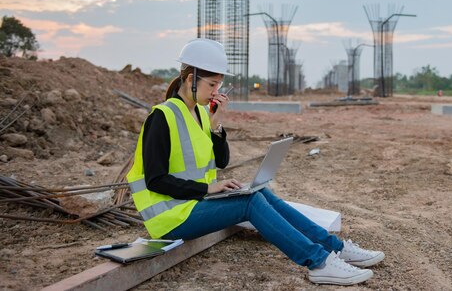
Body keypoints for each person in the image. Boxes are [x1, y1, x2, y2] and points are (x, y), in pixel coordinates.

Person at [127, 39, 385, 286]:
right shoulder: (162, 117)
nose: (216, 92)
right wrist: (208, 189)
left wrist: (216, 123)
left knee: (259, 192)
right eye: (212, 85)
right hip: (170, 218)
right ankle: (319, 263)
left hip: (193, 206)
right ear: (192, 79)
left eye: (220, 85)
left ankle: (335, 248)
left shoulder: (199, 114)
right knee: (249, 202)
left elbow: (221, 161)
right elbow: (155, 179)